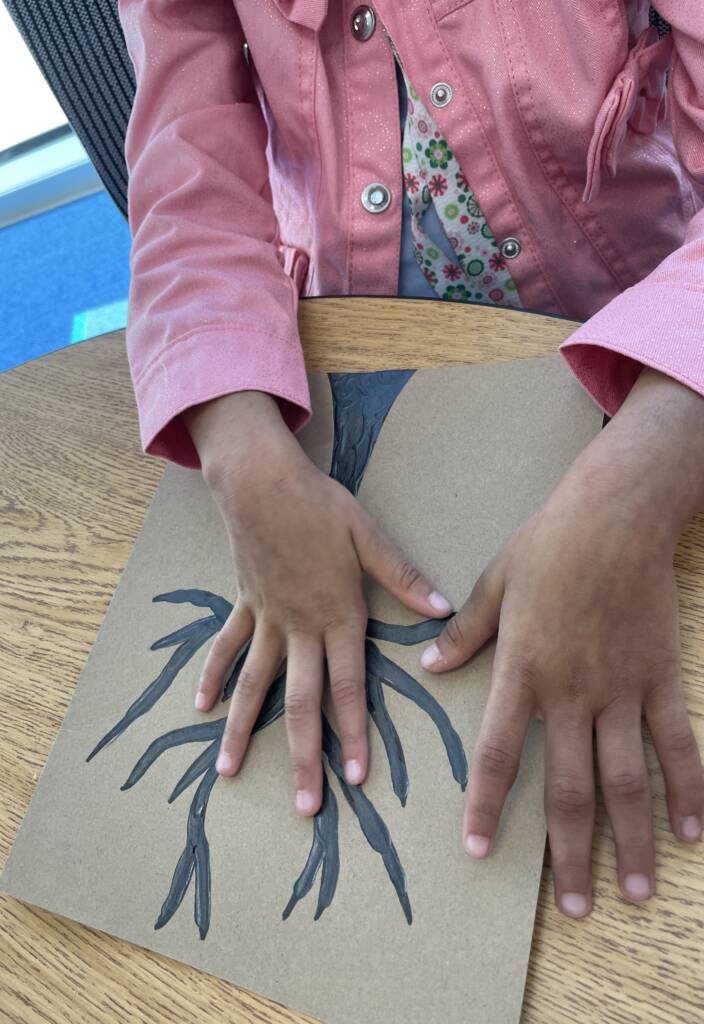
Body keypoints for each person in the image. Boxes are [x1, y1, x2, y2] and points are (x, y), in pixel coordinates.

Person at [117, 0, 704, 919]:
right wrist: (233, 439)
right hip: (348, 340)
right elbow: (185, 163)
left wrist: (647, 477)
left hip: (644, 339)